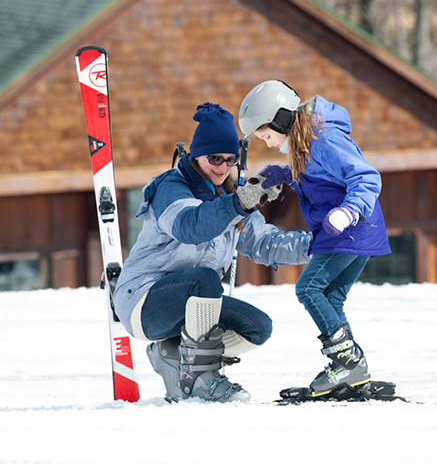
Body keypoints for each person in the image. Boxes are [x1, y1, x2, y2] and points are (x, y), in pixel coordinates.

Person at [113, 102, 312, 403]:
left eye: (231, 160)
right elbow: (192, 226)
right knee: (204, 280)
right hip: (143, 301)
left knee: (257, 328)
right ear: (196, 155)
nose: (222, 167)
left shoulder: (233, 195)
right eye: (214, 158)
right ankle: (200, 379)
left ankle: (175, 355)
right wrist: (240, 202)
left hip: (187, 308)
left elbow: (266, 244)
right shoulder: (172, 188)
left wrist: (323, 243)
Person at [238, 80, 391, 397]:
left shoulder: (324, 139)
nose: (267, 143)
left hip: (348, 228)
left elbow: (365, 176)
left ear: (281, 119)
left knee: (308, 288)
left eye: (267, 134)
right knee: (331, 296)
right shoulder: (304, 143)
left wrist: (348, 212)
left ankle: (348, 361)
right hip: (350, 231)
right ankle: (350, 370)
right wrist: (265, 181)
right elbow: (305, 176)